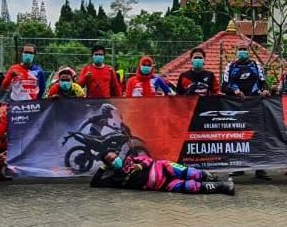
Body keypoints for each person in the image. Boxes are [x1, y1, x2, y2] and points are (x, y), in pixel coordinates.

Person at [222, 44, 271, 180]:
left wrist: (265, 90)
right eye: (240, 49)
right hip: (236, 106)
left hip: (255, 105)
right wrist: (235, 91)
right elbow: (224, 86)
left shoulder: (256, 65)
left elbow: (263, 83)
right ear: (236, 52)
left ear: (249, 52)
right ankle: (239, 167)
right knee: (238, 136)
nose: (242, 51)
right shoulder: (230, 66)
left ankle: (260, 169)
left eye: (245, 49)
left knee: (258, 136)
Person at [90, 151, 234, 195]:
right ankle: (222, 186)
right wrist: (103, 167)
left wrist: (140, 166)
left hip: (163, 167)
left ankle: (214, 178)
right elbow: (95, 183)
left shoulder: (130, 159)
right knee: (190, 187)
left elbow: (148, 159)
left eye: (115, 157)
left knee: (191, 173)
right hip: (163, 185)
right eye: (111, 160)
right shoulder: (114, 179)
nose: (115, 160)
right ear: (109, 164)